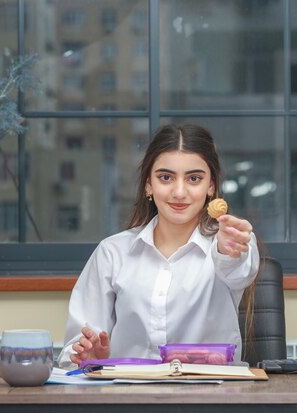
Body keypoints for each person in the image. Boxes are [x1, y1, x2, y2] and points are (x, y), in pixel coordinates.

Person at [57, 124, 260, 368]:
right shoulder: (112, 253)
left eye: (194, 178)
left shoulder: (230, 243)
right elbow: (75, 349)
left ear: (211, 186)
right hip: (127, 397)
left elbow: (240, 271)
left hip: (209, 397)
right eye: (166, 178)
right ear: (148, 185)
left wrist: (228, 253)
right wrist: (87, 359)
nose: (179, 192)